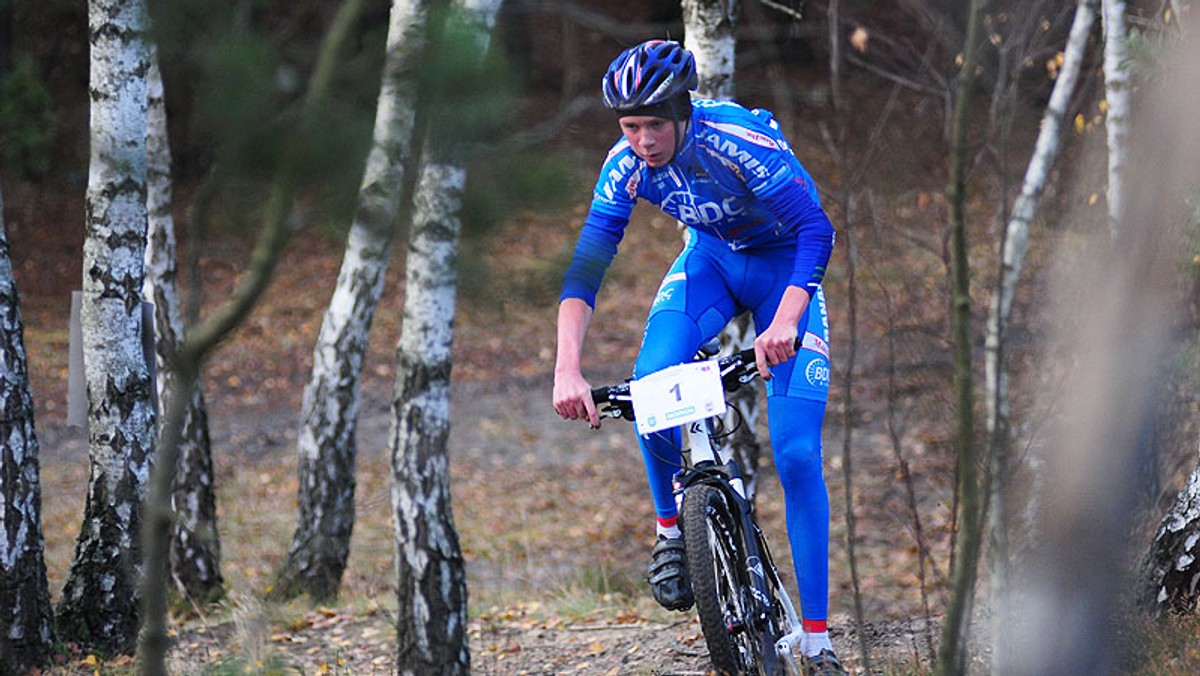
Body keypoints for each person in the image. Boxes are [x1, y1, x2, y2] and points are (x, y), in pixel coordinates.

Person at [551, 39, 844, 674]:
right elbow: (584, 274)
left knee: (795, 454)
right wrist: (566, 368)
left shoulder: (734, 138)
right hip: (712, 262)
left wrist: (788, 320)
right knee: (650, 386)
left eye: (654, 124)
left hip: (784, 271)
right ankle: (670, 532)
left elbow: (817, 228)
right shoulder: (624, 164)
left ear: (683, 113)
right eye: (630, 126)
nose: (644, 140)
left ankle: (817, 641)